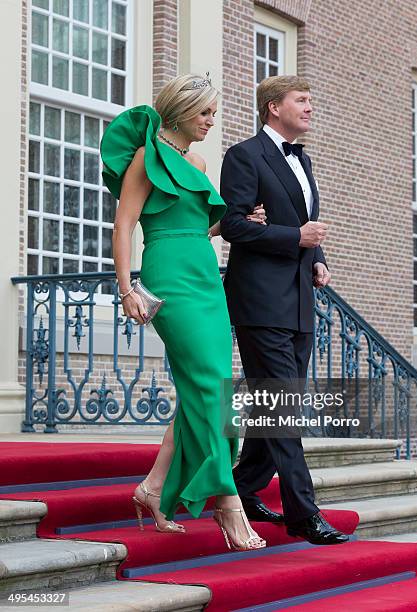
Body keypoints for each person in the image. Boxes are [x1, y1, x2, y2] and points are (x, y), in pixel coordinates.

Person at [100, 73, 267, 551]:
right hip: (169, 276)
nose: (212, 121)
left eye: (213, 113)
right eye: (205, 113)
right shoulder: (143, 158)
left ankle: (152, 489)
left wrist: (236, 224)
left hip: (205, 274)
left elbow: (199, 226)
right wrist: (127, 286)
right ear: (179, 111)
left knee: (211, 385)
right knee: (209, 383)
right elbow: (124, 225)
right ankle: (227, 502)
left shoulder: (195, 161)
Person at [220, 75, 349, 546]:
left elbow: (305, 225)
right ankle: (302, 512)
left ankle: (240, 487)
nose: (310, 108)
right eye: (302, 100)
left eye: (311, 100)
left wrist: (317, 260)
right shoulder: (243, 156)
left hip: (299, 300)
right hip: (259, 301)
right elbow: (233, 225)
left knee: (272, 407)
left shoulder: (305, 158)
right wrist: (296, 240)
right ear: (273, 107)